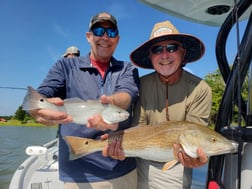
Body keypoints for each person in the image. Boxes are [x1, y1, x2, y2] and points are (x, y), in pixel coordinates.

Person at [28, 12, 139, 189]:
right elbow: (41, 95)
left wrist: (113, 103)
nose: (104, 37)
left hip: (122, 170)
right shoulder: (64, 66)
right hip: (78, 174)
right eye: (98, 30)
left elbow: (126, 95)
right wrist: (37, 110)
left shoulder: (127, 68)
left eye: (111, 32)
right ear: (88, 36)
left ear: (117, 39)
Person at [104, 20, 212, 189]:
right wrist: (118, 145)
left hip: (176, 164)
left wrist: (195, 156)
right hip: (139, 160)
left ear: (183, 52)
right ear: (150, 56)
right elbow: (138, 127)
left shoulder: (201, 89)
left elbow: (194, 138)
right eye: (157, 49)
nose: (164, 55)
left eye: (172, 48)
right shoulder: (141, 85)